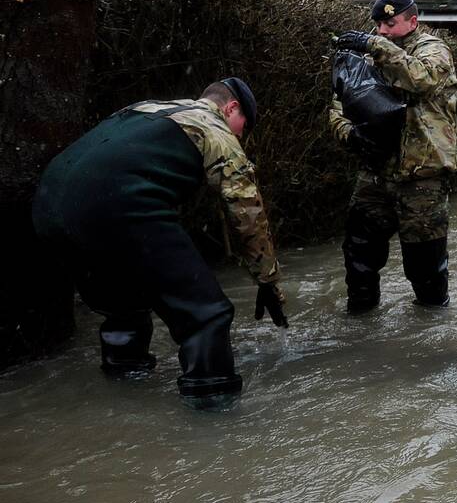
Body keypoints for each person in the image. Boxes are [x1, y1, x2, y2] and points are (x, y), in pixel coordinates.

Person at [32, 78, 287, 405]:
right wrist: (268, 281)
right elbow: (247, 213)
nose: (241, 136)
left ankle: (122, 391)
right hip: (117, 204)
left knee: (124, 306)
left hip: (49, 207)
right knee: (207, 315)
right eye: (244, 127)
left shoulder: (145, 108)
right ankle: (216, 417)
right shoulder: (214, 127)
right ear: (231, 108)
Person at [330, 0, 457, 313]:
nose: (382, 31)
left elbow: (423, 79)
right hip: (375, 174)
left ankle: (431, 333)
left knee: (426, 269)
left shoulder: (433, 50)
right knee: (358, 255)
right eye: (378, 26)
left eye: (390, 23)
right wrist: (350, 135)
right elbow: (337, 106)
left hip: (422, 178)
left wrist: (376, 46)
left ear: (412, 21)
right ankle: (360, 324)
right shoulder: (369, 59)